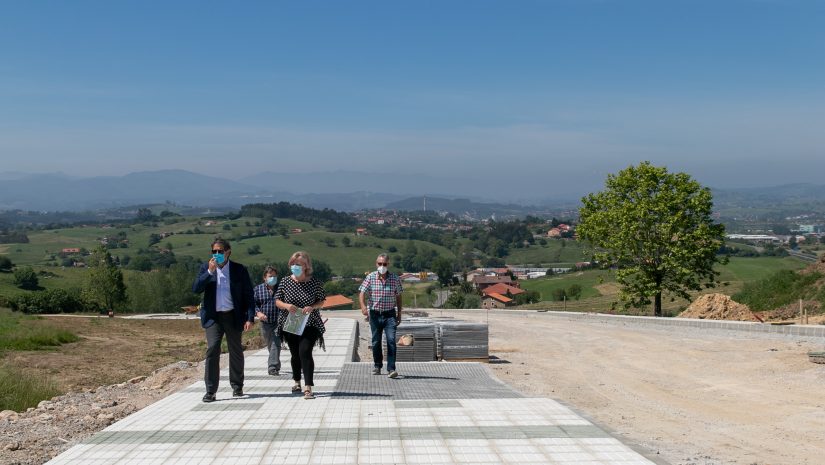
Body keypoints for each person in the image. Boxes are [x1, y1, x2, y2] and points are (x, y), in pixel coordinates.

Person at [192, 238, 255, 403]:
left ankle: (237, 386)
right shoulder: (206, 268)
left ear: (228, 252)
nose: (217, 254)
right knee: (212, 349)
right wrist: (210, 272)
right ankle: (210, 391)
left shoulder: (239, 270)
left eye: (220, 251)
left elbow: (249, 295)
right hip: (213, 317)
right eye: (214, 252)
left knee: (236, 350)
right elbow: (195, 288)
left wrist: (250, 317)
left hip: (233, 315)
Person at [275, 251, 326, 399]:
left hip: (310, 322)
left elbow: (322, 300)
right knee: (295, 354)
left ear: (306, 266)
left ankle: (308, 386)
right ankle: (297, 380)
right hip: (291, 321)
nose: (295, 267)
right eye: (293, 264)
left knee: (305, 351)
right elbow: (277, 301)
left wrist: (313, 306)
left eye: (299, 264)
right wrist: (286, 305)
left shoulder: (314, 282)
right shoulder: (285, 281)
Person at [359, 253, 403, 378]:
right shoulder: (370, 277)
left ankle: (391, 369)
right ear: (376, 263)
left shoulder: (395, 279)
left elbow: (399, 296)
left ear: (388, 264)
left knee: (391, 340)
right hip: (375, 314)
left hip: (390, 314)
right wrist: (363, 307)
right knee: (376, 341)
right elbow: (362, 292)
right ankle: (377, 366)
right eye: (380, 264)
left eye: (384, 264)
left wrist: (399, 313)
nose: (382, 266)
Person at [254, 266, 283, 376]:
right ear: (264, 278)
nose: (273, 278)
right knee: (270, 345)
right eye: (270, 276)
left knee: (276, 343)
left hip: (279, 321)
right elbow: (253, 303)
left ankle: (272, 367)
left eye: (275, 276)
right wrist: (258, 313)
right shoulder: (258, 289)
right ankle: (275, 363)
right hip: (265, 323)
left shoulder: (281, 289)